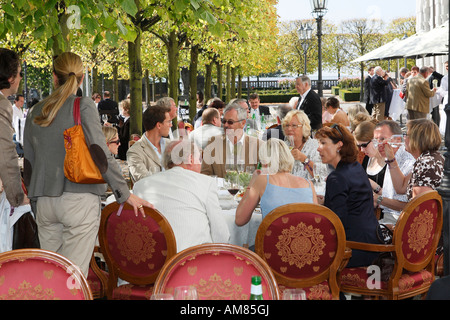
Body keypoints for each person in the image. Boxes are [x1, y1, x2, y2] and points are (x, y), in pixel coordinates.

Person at [23, 52, 152, 277]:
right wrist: (124, 192)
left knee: (51, 277)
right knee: (73, 279)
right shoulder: (83, 105)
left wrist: (35, 202)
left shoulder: (35, 110)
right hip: (79, 199)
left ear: (54, 77)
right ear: (82, 78)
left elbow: (29, 162)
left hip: (44, 201)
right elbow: (99, 152)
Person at [133, 139, 230, 252]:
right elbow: (221, 236)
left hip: (151, 261)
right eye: (199, 159)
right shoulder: (206, 182)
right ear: (190, 159)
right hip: (190, 262)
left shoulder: (140, 185)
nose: (201, 165)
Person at [315, 123, 380, 267]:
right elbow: (352, 204)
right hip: (372, 242)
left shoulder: (337, 177)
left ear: (339, 145)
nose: (318, 148)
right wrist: (326, 201)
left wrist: (315, 208)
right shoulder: (355, 167)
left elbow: (335, 223)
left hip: (354, 250)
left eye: (323, 143)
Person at [235, 138, 318, 226]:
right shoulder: (309, 184)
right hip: (306, 238)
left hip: (275, 239)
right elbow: (316, 221)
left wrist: (251, 184)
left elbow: (240, 220)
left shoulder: (262, 180)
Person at [384, 118, 444, 201]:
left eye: (407, 135)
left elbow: (420, 205)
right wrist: (390, 157)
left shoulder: (426, 163)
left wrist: (379, 199)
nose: (404, 138)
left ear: (416, 139)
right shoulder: (431, 157)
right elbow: (401, 188)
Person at [201, 102, 263, 178]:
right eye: (224, 121)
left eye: (230, 122)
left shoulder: (258, 146)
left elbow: (264, 177)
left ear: (242, 123)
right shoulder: (213, 142)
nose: (226, 125)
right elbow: (205, 174)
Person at [371, 121, 415, 226]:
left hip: (399, 224)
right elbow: (392, 196)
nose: (378, 145)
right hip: (387, 218)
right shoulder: (390, 156)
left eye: (382, 139)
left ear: (397, 139)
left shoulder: (409, 161)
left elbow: (407, 205)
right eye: (375, 140)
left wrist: (377, 198)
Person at [0, 48, 27, 208]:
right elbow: (5, 154)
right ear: (10, 78)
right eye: (19, 73)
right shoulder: (2, 105)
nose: (20, 78)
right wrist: (18, 197)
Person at [127, 103, 172, 183]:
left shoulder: (171, 145)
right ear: (159, 125)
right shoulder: (135, 152)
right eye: (168, 122)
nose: (171, 125)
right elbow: (144, 181)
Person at [282, 110, 324, 179]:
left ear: (304, 127)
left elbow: (319, 177)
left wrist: (304, 159)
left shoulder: (316, 147)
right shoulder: (283, 147)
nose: (289, 129)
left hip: (309, 188)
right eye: (287, 125)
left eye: (294, 126)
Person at [353, 121, 386, 194]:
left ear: (376, 140)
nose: (361, 150)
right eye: (359, 146)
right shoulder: (367, 158)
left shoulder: (390, 162)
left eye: (364, 145)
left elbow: (393, 197)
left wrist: (374, 186)